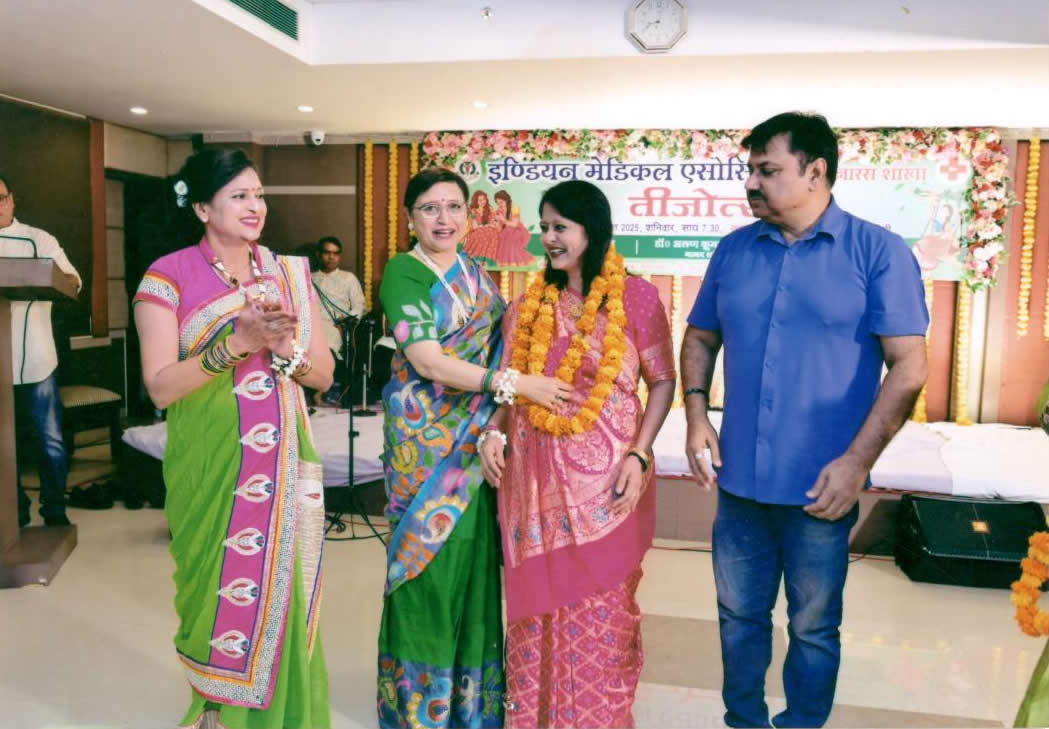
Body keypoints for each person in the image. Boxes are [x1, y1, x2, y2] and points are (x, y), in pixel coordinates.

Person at [681, 112, 929, 728]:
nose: (751, 183)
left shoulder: (878, 253)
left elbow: (908, 368)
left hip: (823, 484)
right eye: (750, 170)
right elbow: (700, 336)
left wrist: (857, 464)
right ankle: (743, 720)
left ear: (815, 171)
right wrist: (695, 414)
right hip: (740, 480)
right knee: (738, 617)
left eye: (767, 170)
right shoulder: (735, 250)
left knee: (814, 625)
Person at [133, 148, 334, 729]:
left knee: (291, 593)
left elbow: (323, 376)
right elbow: (160, 387)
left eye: (259, 195)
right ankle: (219, 714)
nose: (255, 207)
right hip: (212, 462)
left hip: (289, 460)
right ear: (202, 207)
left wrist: (284, 350)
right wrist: (237, 346)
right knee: (217, 592)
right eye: (239, 196)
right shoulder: (167, 277)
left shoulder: (288, 274)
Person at [376, 168, 569, 729]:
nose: (444, 219)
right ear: (410, 218)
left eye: (454, 207)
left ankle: (469, 708)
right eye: (430, 208)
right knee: (427, 568)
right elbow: (428, 361)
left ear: (468, 215)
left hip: (480, 443)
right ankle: (418, 712)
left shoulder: (479, 276)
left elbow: (508, 340)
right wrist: (515, 384)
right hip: (424, 447)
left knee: (475, 567)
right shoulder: (404, 272)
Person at [479, 179, 676, 728]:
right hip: (532, 484)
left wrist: (640, 454)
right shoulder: (526, 307)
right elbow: (510, 390)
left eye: (560, 227)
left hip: (608, 482)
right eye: (543, 227)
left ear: (592, 229)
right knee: (536, 612)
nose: (548, 238)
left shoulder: (636, 298)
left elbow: (662, 380)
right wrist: (492, 432)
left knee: (604, 609)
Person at [0, 174, 81, 528]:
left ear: (12, 199)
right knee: (3, 446)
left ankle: (54, 508)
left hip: (36, 359)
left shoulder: (39, 239)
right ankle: (14, 509)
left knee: (50, 440)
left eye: (1, 198)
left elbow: (73, 281)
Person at [311, 235, 365, 406]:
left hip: (336, 326)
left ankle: (321, 391)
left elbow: (359, 305)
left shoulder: (348, 278)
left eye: (335, 253)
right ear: (319, 254)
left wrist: (347, 322)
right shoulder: (309, 278)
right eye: (327, 253)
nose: (331, 257)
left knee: (327, 343)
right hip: (311, 324)